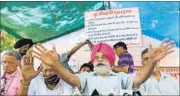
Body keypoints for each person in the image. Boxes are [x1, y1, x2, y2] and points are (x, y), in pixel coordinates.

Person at [32, 38, 175, 95]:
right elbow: (70, 78)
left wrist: (152, 62)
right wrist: (55, 64)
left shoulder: (121, 77)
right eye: (96, 57)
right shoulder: (85, 77)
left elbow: (140, 78)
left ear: (112, 61)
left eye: (104, 57)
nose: (100, 60)